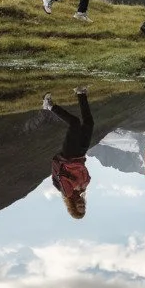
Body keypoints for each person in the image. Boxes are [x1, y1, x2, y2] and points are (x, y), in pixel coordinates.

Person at [44, 86, 94, 219]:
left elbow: (62, 176)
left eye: (79, 207)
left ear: (73, 207)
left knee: (75, 123)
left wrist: (77, 184)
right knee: (89, 124)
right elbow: (87, 174)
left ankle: (49, 106)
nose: (82, 205)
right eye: (84, 207)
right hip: (81, 155)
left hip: (69, 156)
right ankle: (81, 92)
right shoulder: (82, 189)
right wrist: (83, 185)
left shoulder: (67, 192)